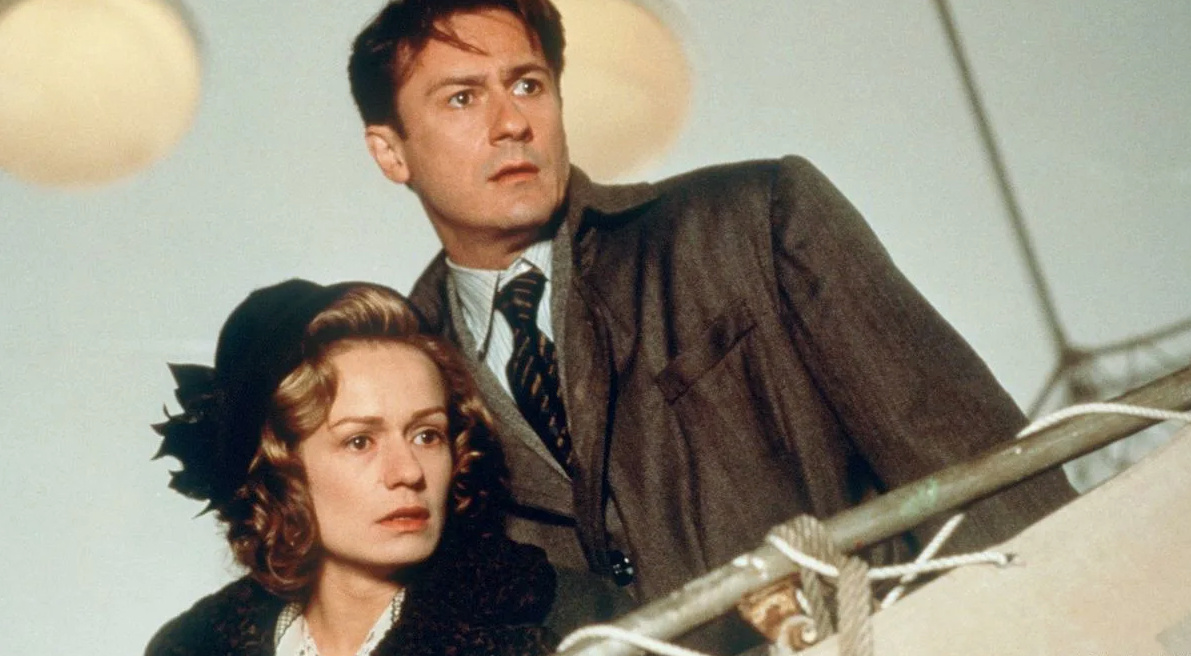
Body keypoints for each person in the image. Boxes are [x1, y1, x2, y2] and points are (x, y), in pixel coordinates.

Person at [348, 0, 1076, 650]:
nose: (512, 122)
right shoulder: (400, 381)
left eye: (528, 84)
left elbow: (984, 478)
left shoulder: (757, 219)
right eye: (462, 98)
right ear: (389, 151)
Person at [145, 279, 555, 656]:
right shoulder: (193, 646)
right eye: (360, 441)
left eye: (427, 436)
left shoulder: (554, 627)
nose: (409, 472)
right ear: (279, 466)